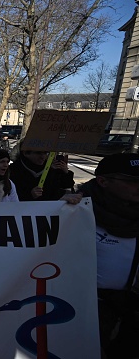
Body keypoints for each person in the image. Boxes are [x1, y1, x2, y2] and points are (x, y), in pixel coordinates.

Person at [77, 153, 139, 358]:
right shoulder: (77, 211)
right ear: (103, 181)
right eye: (132, 181)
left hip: (130, 310)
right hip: (88, 310)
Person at [9, 146, 75, 201]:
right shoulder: (12, 171)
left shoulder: (50, 168)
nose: (43, 157)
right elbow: (8, 198)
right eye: (38, 153)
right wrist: (29, 195)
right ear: (26, 153)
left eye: (45, 153)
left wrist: (66, 173)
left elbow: (59, 189)